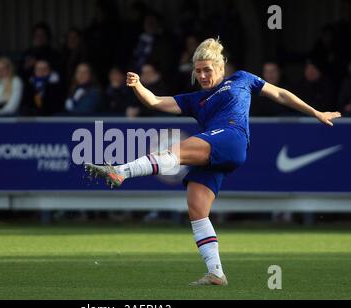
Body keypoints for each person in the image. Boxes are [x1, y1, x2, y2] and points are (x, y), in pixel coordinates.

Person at [84, 38, 341, 286]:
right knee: (197, 209)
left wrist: (315, 112)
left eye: (208, 70)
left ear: (220, 67)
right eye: (198, 72)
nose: (203, 76)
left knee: (177, 150)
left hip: (231, 138)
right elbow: (154, 101)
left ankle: (120, 172)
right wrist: (138, 85)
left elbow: (280, 94)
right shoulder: (194, 99)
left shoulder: (241, 79)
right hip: (217, 151)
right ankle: (215, 272)